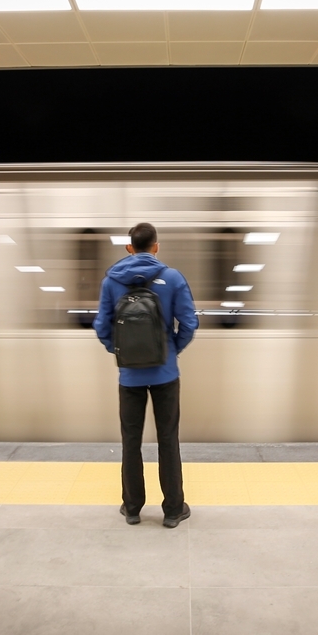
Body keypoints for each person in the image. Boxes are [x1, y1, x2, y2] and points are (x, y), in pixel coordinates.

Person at [94, 222, 198, 528]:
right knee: (168, 439)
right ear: (156, 246)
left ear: (129, 247)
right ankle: (173, 510)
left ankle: (132, 508)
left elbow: (101, 326)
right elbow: (189, 323)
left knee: (131, 441)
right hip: (165, 374)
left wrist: (122, 353)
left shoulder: (111, 281)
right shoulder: (172, 277)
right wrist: (170, 350)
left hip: (129, 377)